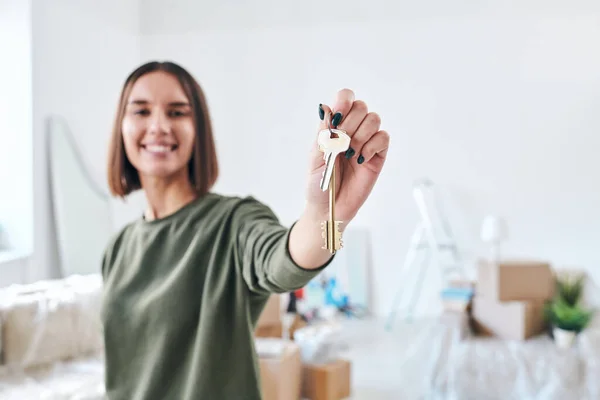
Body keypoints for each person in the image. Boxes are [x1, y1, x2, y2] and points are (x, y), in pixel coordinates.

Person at [101, 60, 390, 400]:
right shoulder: (118, 247)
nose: (159, 125)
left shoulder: (233, 222)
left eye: (177, 112)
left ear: (199, 130)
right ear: (121, 126)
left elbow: (284, 261)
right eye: (141, 111)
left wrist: (326, 214)